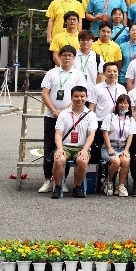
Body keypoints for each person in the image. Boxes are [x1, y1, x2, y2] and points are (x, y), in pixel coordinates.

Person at [39, 45, 89, 193]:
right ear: (59, 57)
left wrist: (64, 111)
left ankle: (61, 181)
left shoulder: (78, 75)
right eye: (64, 55)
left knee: (66, 147)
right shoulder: (52, 73)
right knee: (49, 148)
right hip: (51, 116)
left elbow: (80, 96)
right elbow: (44, 94)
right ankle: (47, 180)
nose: (67, 58)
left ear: (74, 58)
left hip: (69, 117)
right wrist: (54, 110)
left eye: (70, 55)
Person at [50, 86, 98, 199]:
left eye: (82, 96)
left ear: (86, 97)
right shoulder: (63, 114)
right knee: (58, 159)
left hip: (81, 147)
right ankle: (58, 187)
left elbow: (91, 135)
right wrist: (60, 149)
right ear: (71, 97)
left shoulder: (91, 115)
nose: (79, 99)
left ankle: (77, 187)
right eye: (76, 96)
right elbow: (58, 134)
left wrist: (85, 150)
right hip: (65, 146)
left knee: (82, 160)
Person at [100, 94, 136, 197]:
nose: (123, 105)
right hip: (109, 146)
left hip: (123, 147)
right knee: (116, 162)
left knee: (126, 160)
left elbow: (130, 137)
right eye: (121, 103)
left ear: (129, 105)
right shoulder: (110, 117)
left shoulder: (131, 120)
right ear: (117, 104)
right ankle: (109, 182)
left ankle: (120, 185)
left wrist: (126, 150)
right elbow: (105, 134)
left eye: (125, 103)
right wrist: (109, 148)